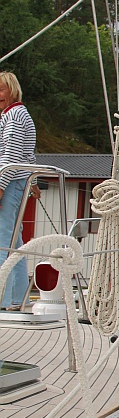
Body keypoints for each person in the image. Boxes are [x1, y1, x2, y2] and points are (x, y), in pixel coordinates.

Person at [0, 72, 39, 310]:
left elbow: (11, 156)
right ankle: (16, 297)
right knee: (15, 241)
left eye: (1, 90)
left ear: (12, 90)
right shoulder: (17, 114)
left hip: (11, 182)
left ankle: (3, 299)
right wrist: (32, 182)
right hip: (18, 182)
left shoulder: (13, 116)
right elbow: (26, 155)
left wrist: (0, 185)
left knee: (3, 240)